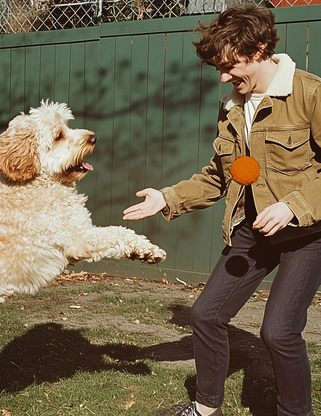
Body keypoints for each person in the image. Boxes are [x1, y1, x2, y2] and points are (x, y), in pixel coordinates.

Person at [123, 4, 321, 416]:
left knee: (279, 332)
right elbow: (220, 174)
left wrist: (293, 205)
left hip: (305, 234)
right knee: (206, 314)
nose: (223, 77)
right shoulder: (233, 107)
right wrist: (168, 197)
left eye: (230, 66)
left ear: (261, 48)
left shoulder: (310, 95)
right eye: (219, 68)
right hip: (251, 228)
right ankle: (205, 408)